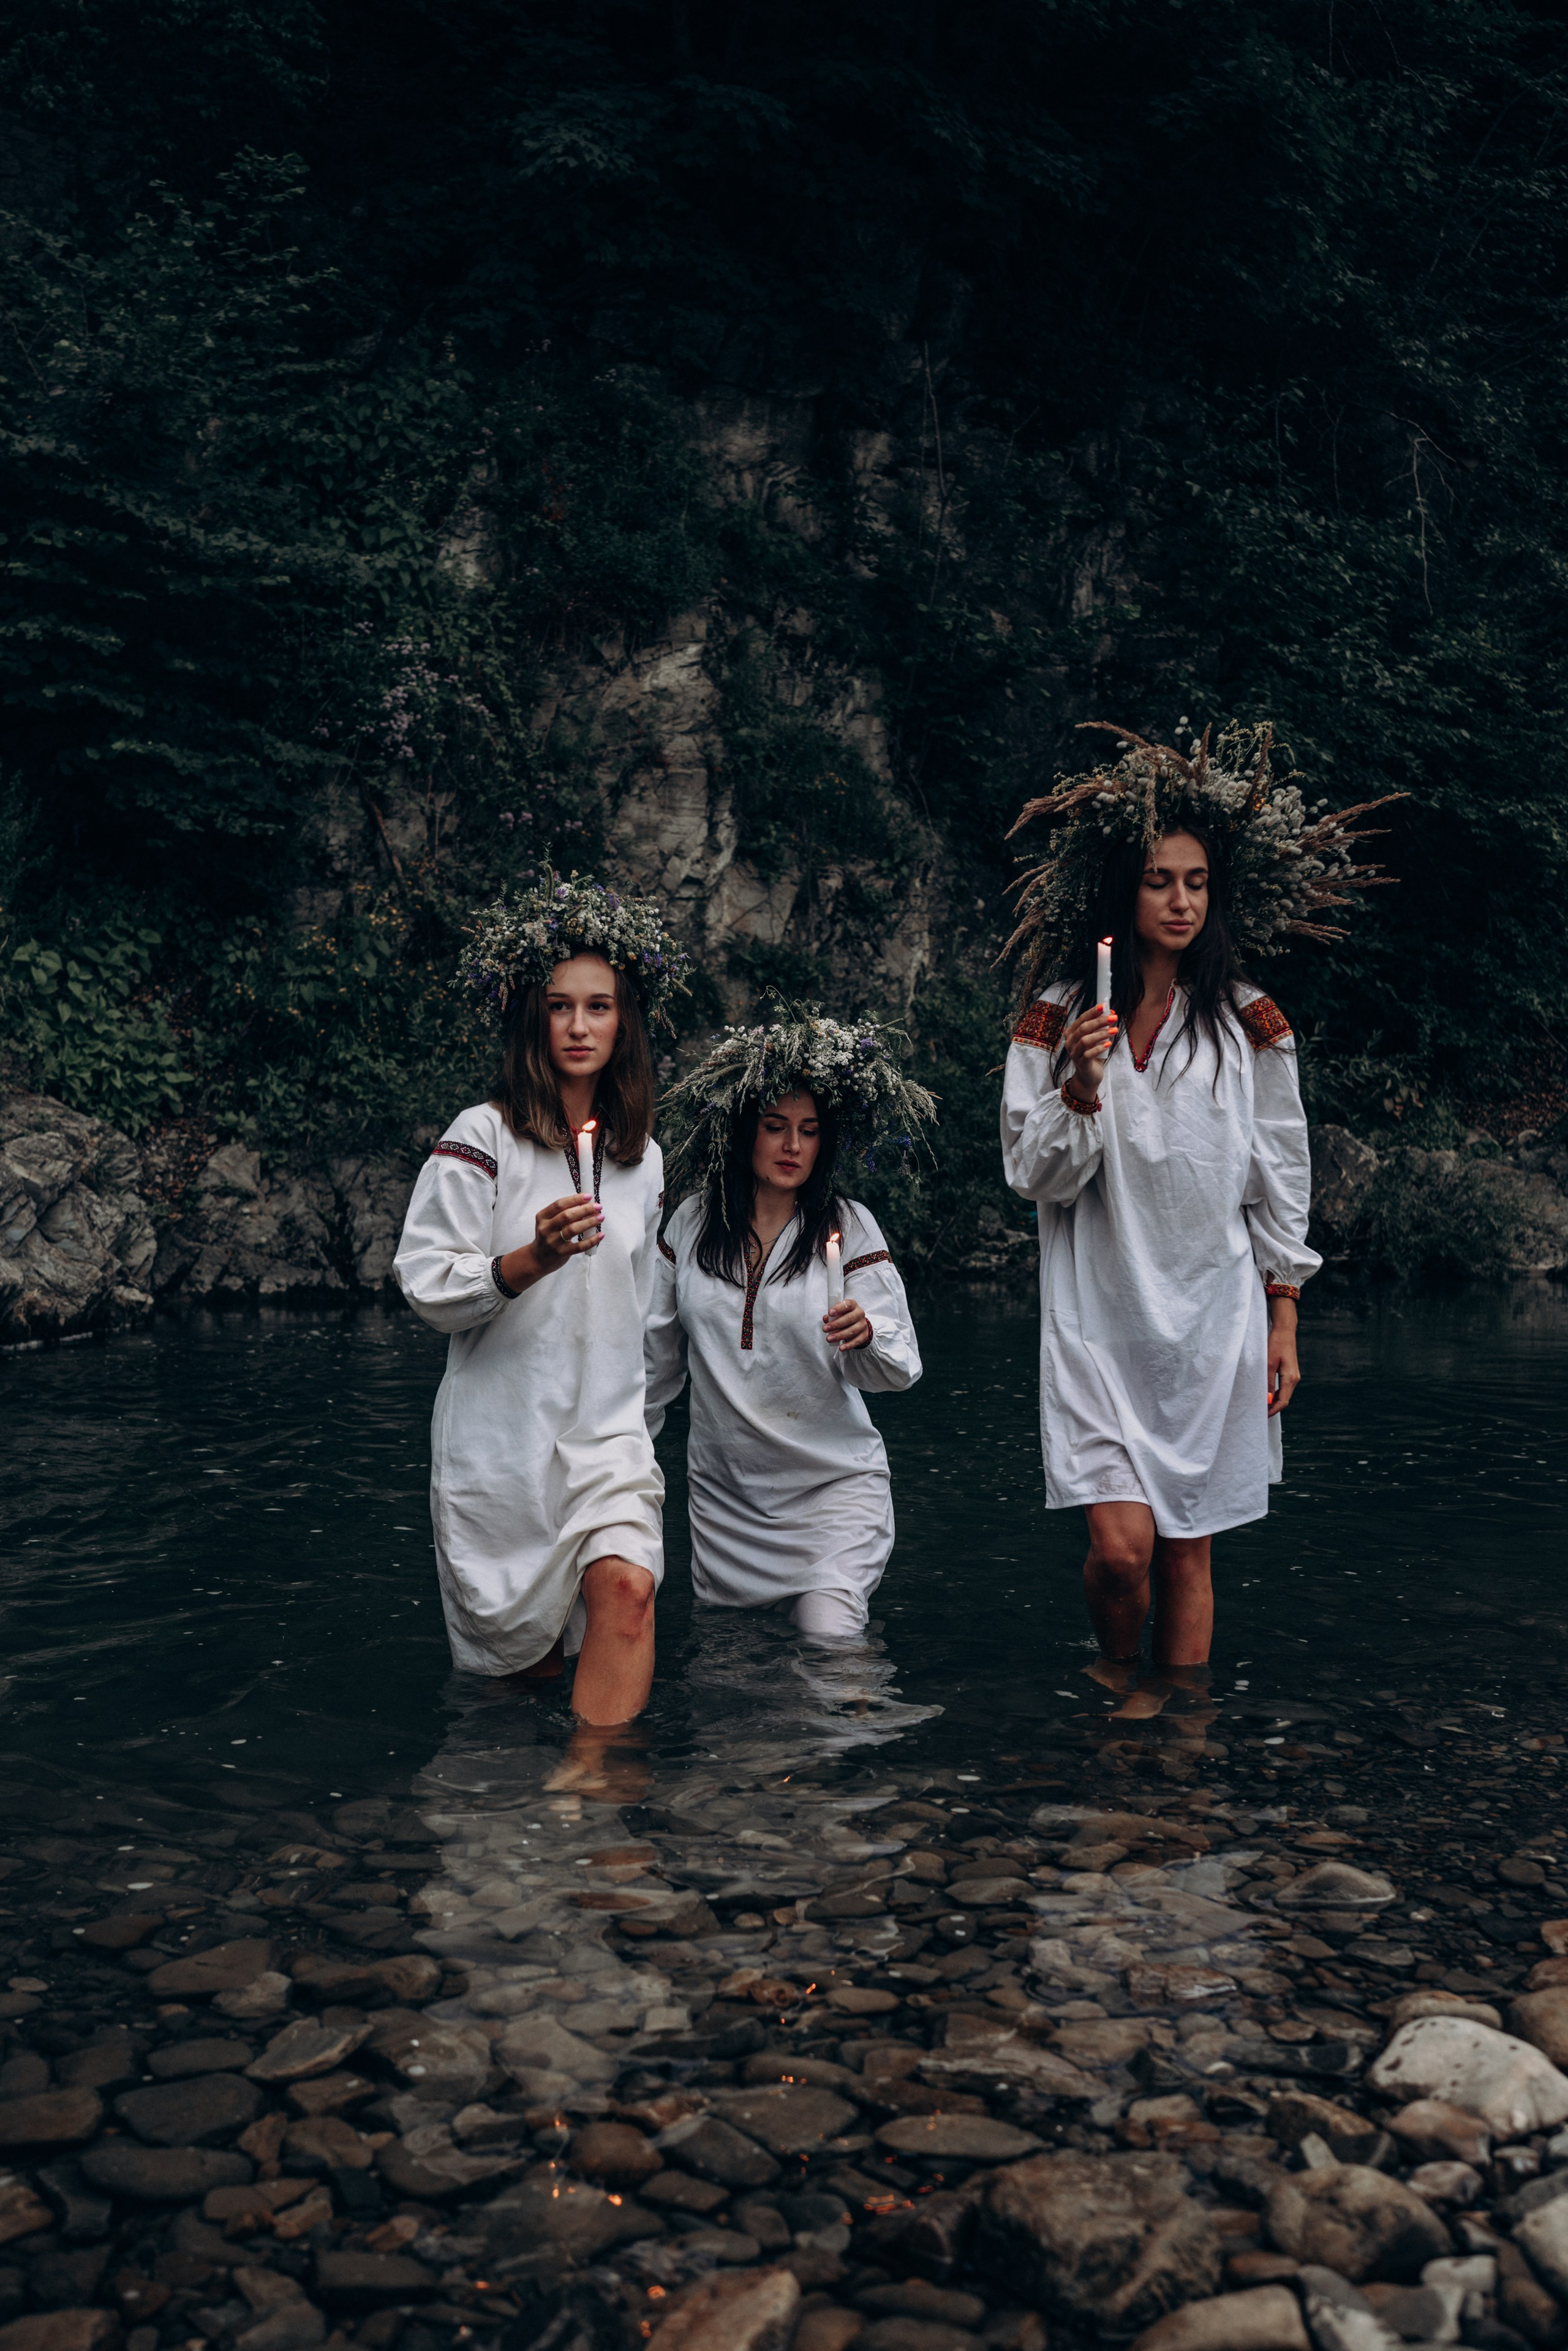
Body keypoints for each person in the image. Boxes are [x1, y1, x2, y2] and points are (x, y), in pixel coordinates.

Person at [1001, 717, 1400, 1681]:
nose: (1179, 901)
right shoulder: (1058, 1014)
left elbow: (1280, 1175)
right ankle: (1115, 1683)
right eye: (1157, 880)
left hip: (1214, 1316)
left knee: (1189, 1546)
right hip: (1098, 1319)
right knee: (1120, 1550)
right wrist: (1081, 1092)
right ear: (1120, 889)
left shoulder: (1251, 1023)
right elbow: (1031, 1172)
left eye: (1196, 882)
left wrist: (1285, 1314)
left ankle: (1176, 1749)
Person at [393, 868, 688, 1727]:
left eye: (599, 1006)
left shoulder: (646, 1159)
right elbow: (425, 1281)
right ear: (534, 1015)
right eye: (559, 1005)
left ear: (625, 1020)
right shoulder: (480, 1135)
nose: (579, 1025)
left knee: (629, 1590)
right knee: (515, 1679)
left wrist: (643, 1422)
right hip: (503, 1436)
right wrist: (529, 1257)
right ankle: (518, 1826)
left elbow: (647, 1310)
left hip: (607, 1435)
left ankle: (591, 1794)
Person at [645, 1007, 936, 1640]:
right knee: (735, 1690)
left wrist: (866, 1334)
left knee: (831, 1642)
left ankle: (856, 1732)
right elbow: (651, 1368)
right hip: (726, 1499)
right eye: (775, 1126)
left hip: (831, 1489)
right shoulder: (690, 1223)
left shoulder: (849, 1225)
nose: (792, 1146)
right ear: (745, 1131)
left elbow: (898, 1365)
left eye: (807, 1130)